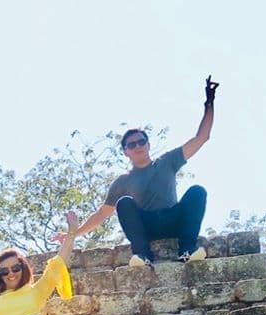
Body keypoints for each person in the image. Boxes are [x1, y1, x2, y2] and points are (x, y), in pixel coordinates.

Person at [64, 76, 219, 267]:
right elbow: (102, 214)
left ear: (148, 145)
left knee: (197, 191)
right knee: (124, 203)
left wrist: (209, 103)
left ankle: (187, 248)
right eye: (132, 144)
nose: (138, 146)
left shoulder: (167, 162)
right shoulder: (122, 182)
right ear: (125, 151)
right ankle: (143, 255)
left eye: (141, 142)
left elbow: (202, 137)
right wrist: (74, 234)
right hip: (147, 227)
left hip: (173, 219)